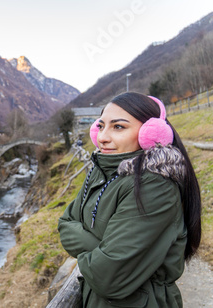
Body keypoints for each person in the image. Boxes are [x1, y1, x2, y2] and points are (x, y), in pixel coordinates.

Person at [58, 92, 201, 308]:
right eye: (101, 126)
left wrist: (101, 256)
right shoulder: (101, 171)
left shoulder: (154, 186)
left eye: (118, 127)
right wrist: (102, 251)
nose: (103, 137)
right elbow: (65, 224)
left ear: (150, 134)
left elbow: (108, 277)